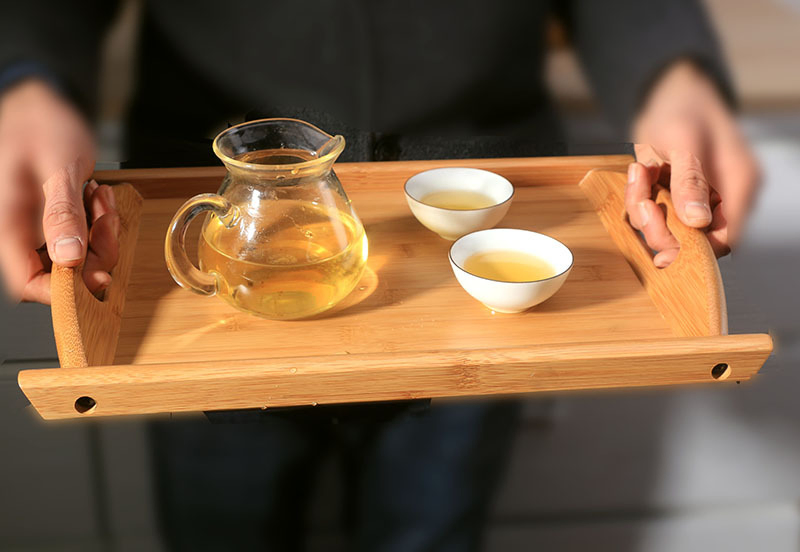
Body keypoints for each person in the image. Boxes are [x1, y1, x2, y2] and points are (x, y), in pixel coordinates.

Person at [0, 1, 759, 550]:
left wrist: (672, 74)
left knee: (431, 528)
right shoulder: (211, 241)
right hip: (198, 244)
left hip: (480, 218)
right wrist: (29, 82)